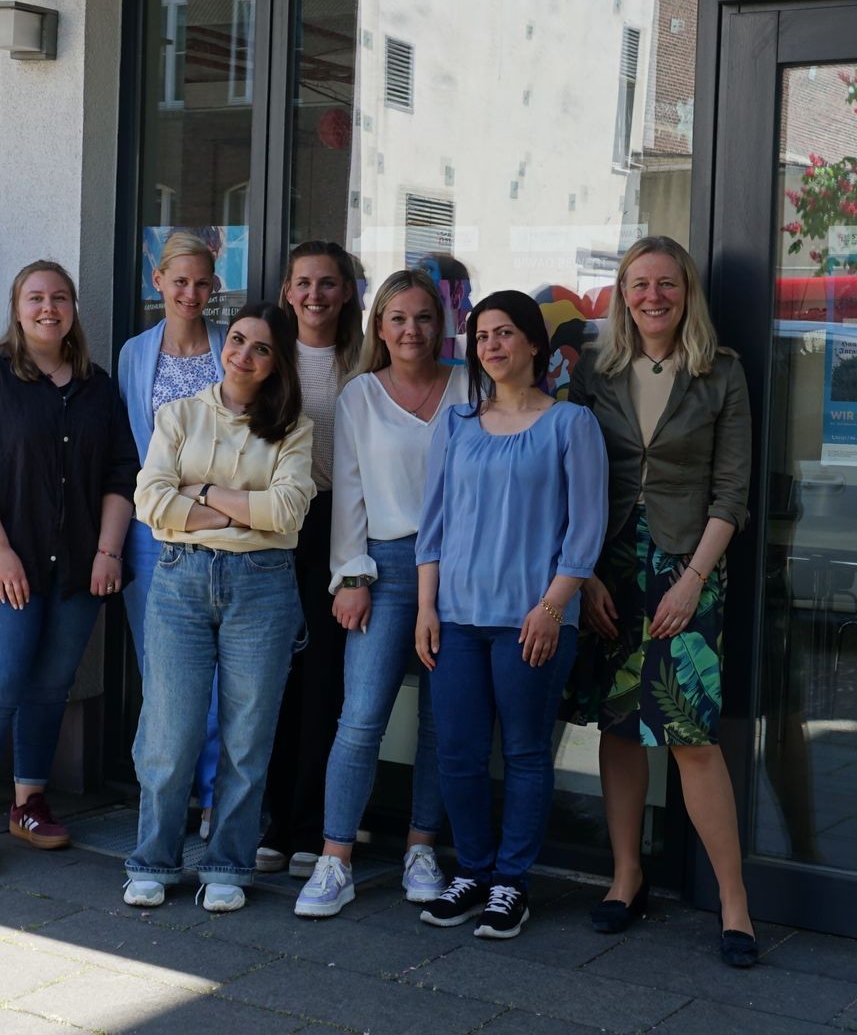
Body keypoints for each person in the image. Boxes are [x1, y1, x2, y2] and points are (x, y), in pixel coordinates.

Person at [565, 235, 758, 968]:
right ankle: (627, 877)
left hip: (687, 567)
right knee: (619, 728)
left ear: (686, 293)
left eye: (667, 284)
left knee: (691, 737)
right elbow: (574, 478)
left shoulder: (721, 372)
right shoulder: (596, 369)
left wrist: (694, 578)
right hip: (609, 564)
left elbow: (731, 492)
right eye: (640, 284)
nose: (653, 296)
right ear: (623, 293)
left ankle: (734, 902)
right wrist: (583, 576)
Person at [414, 290, 606, 940]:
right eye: (481, 336)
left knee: (525, 751)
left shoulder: (570, 425)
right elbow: (432, 525)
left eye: (503, 333)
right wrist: (426, 608)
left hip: (533, 619)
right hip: (457, 617)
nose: (491, 345)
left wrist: (553, 606)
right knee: (458, 752)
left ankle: (511, 883)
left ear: (533, 343)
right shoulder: (457, 423)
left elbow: (586, 530)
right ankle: (473, 870)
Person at [0, 260, 138, 874]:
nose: (49, 308)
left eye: (60, 298)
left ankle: (29, 804)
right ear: (17, 308)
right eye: (36, 298)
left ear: (73, 307)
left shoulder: (97, 387)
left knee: (51, 687)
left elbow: (121, 473)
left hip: (78, 567)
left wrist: (108, 552)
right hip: (4, 564)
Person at [125, 302, 315, 913]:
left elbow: (287, 511)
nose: (243, 355)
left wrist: (201, 492)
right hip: (180, 579)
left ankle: (228, 862)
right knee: (170, 730)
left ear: (277, 362)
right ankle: (153, 860)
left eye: (261, 348)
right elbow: (150, 502)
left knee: (247, 735)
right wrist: (239, 513)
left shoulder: (293, 428)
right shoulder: (178, 414)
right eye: (237, 340)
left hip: (263, 586)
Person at [294, 269, 467, 918]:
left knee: (441, 721)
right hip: (386, 566)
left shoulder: (471, 387)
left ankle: (421, 848)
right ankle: (334, 858)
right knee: (361, 716)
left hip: (460, 567)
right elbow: (351, 490)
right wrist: (352, 574)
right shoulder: (361, 395)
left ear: (440, 324)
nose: (411, 329)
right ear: (380, 327)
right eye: (398, 318)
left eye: (423, 317)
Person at [117, 231, 228, 839]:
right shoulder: (136, 353)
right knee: (161, 671)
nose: (190, 292)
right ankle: (167, 794)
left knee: (216, 672)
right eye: (179, 281)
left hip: (220, 527)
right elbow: (130, 449)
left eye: (201, 282)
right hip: (152, 531)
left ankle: (213, 795)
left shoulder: (228, 347)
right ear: (157, 281)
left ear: (213, 288)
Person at [259, 240, 362, 877]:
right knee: (273, 676)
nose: (315, 295)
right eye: (303, 283)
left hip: (340, 524)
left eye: (327, 283)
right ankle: (273, 819)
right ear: (287, 292)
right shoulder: (269, 355)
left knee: (324, 679)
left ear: (346, 292)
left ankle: (311, 824)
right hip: (273, 524)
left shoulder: (365, 359)